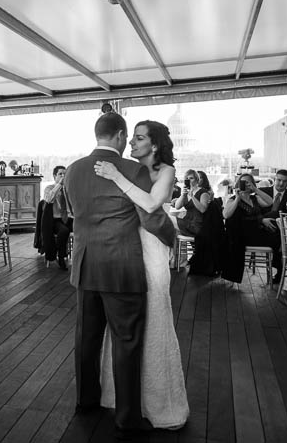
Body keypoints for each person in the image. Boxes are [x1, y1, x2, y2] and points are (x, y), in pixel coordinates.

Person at [64, 112, 176, 439]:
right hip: (121, 268)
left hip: (85, 265)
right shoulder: (133, 170)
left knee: (86, 338)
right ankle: (127, 418)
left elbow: (73, 211)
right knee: (126, 342)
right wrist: (173, 238)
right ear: (120, 135)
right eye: (129, 137)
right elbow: (151, 217)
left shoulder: (72, 170)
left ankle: (86, 401)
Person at [93, 120, 189, 430]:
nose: (131, 143)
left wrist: (115, 175)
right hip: (124, 251)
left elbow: (150, 202)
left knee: (155, 315)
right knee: (125, 324)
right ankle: (121, 396)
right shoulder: (131, 169)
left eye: (139, 138)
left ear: (155, 145)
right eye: (131, 138)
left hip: (150, 251)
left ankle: (159, 402)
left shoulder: (166, 172)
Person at [222, 173, 278, 284]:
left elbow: (270, 202)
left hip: (257, 232)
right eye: (243, 182)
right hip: (242, 235)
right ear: (239, 184)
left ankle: (278, 263)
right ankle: (279, 264)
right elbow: (226, 215)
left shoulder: (255, 198)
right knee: (276, 239)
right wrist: (238, 198)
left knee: (277, 232)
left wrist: (255, 190)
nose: (246, 184)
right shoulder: (232, 200)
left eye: (249, 182)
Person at [43, 165, 72, 270]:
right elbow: (49, 199)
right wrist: (59, 184)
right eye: (60, 174)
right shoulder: (49, 188)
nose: (63, 176)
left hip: (69, 217)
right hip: (56, 219)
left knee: (85, 227)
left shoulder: (69, 189)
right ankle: (61, 257)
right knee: (64, 231)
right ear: (54, 176)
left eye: (65, 174)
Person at [174, 170, 213, 237]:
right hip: (187, 222)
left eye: (191, 178)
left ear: (197, 180)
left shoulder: (203, 192)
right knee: (169, 224)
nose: (189, 180)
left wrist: (192, 196)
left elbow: (203, 209)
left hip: (197, 226)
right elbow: (177, 206)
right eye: (187, 179)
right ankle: (172, 246)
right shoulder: (186, 193)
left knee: (169, 221)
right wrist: (183, 195)